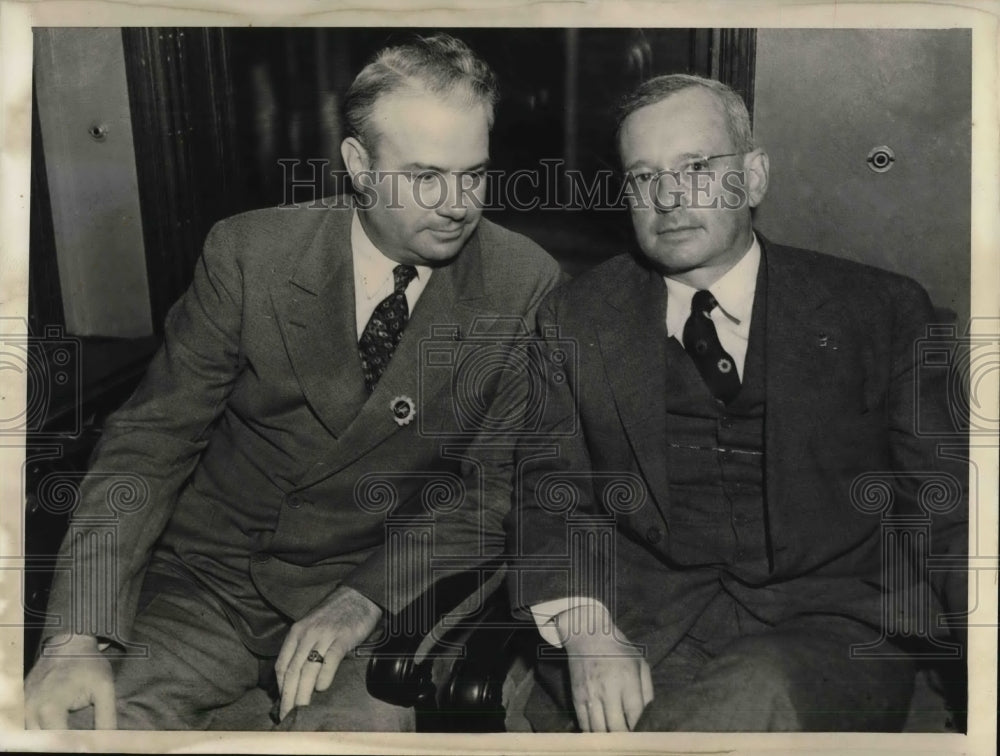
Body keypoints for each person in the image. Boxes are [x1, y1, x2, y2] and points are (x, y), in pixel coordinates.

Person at [25, 33, 562, 730]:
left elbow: (489, 496)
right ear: (359, 165)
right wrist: (75, 635)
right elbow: (147, 446)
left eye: (476, 174)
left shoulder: (523, 283)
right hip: (209, 585)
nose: (459, 204)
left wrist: (362, 601)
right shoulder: (250, 255)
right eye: (427, 176)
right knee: (93, 724)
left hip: (369, 595)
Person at [511, 73, 967, 732]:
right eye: (643, 177)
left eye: (695, 167)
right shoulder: (576, 317)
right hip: (637, 625)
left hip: (829, 628)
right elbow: (547, 491)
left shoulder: (881, 311)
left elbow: (947, 508)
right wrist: (587, 629)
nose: (668, 198)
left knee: (742, 706)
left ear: (753, 178)